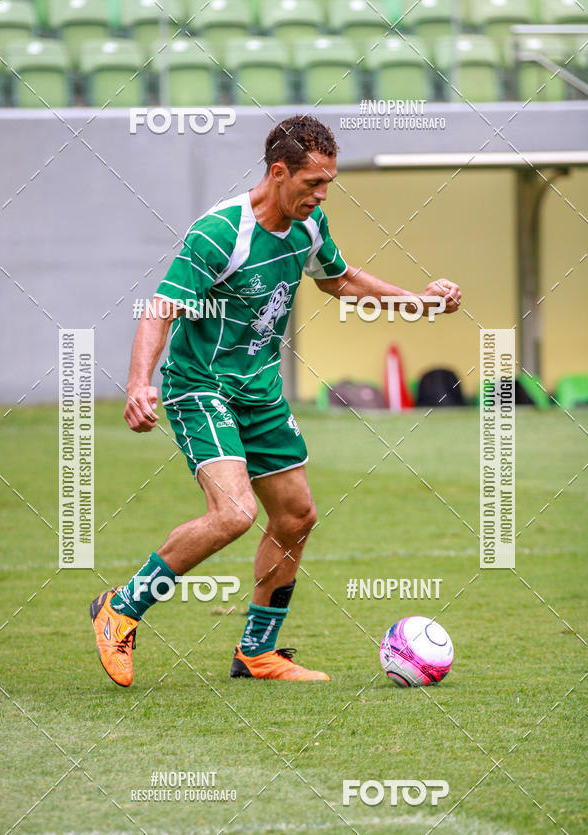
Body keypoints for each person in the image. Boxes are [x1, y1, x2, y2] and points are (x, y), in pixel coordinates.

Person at [90, 114, 461, 686]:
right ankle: (121, 608)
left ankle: (257, 653)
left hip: (259, 391)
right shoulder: (220, 233)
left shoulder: (308, 226)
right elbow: (159, 309)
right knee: (235, 513)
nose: (322, 194)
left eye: (328, 183)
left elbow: (340, 279)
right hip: (201, 387)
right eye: (313, 182)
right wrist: (140, 383)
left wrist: (418, 300)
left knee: (295, 516)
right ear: (278, 172)